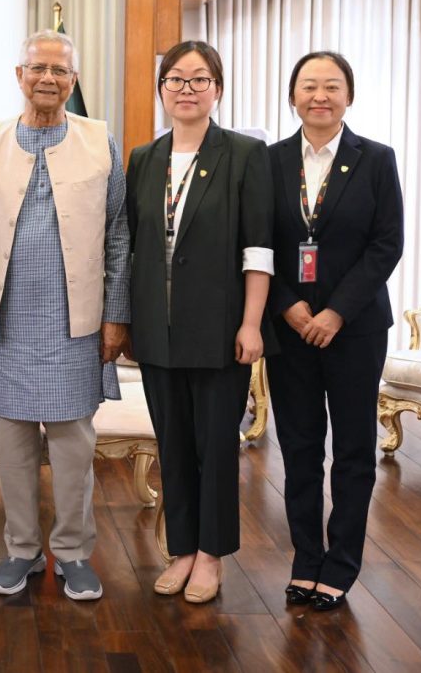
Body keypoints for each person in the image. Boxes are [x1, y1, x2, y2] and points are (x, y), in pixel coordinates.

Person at [0, 30, 129, 601]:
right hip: (5, 324)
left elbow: (120, 235)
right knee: (12, 445)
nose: (48, 78)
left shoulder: (101, 141)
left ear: (73, 80)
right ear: (19, 75)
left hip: (76, 323)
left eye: (60, 70)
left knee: (74, 447)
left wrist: (116, 315)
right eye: (38, 68)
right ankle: (23, 550)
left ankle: (74, 552)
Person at [125, 40, 274, 604]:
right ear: (161, 89)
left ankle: (211, 555)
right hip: (158, 330)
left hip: (220, 329)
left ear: (217, 89)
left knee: (216, 445)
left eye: (199, 79)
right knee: (174, 446)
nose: (186, 89)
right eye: (176, 79)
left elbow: (259, 246)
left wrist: (252, 323)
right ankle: (181, 548)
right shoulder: (144, 157)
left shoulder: (243, 154)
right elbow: (135, 244)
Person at [267, 51, 404, 611]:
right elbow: (254, 244)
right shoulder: (269, 161)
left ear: (349, 95)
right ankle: (305, 559)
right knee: (299, 449)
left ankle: (341, 564)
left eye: (331, 86)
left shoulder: (374, 159)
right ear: (292, 96)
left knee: (352, 450)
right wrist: (290, 306)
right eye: (308, 86)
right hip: (289, 329)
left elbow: (386, 245)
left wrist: (335, 312)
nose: (319, 96)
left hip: (356, 330)